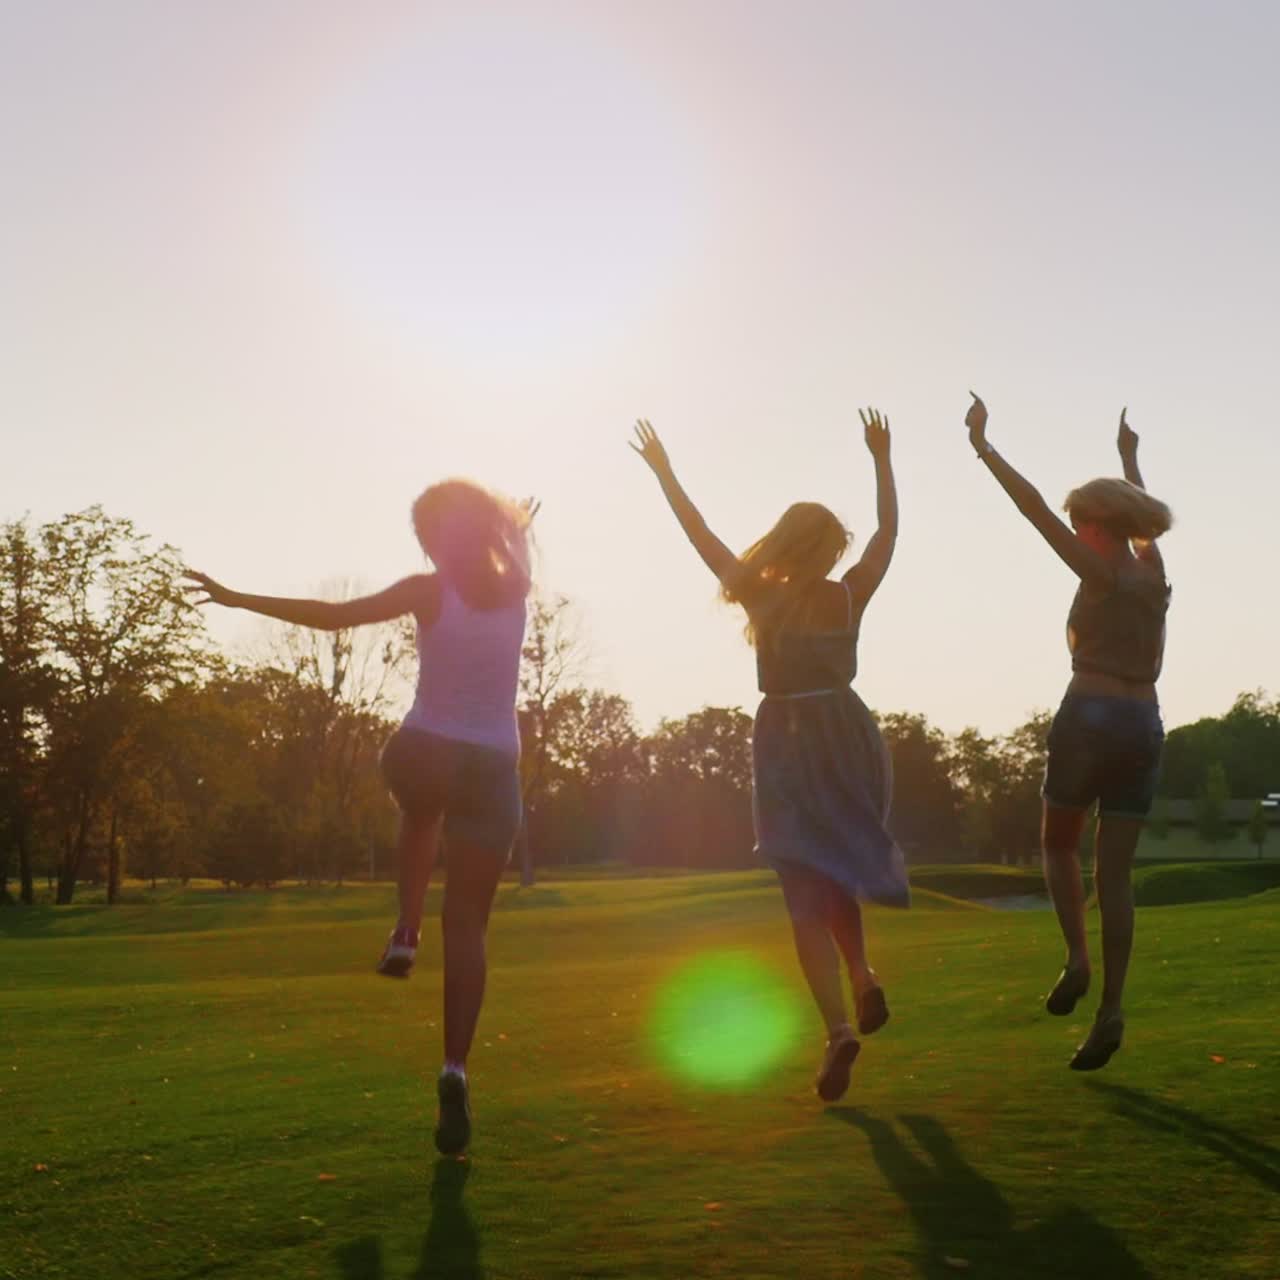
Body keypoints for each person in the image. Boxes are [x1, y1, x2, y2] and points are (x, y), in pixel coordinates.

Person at [186, 479, 534, 1153]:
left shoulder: (427, 590)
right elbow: (515, 536)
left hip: (426, 752)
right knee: (469, 929)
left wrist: (237, 598)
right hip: (494, 768)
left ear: (433, 540)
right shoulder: (518, 585)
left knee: (419, 803)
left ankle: (404, 929)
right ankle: (454, 1067)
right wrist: (511, 526)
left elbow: (333, 616)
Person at [630, 412, 907, 1103]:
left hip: (785, 735)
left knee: (801, 894)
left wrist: (664, 472)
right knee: (840, 862)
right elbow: (888, 534)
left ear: (786, 543)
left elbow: (701, 537)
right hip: (846, 728)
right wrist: (881, 458)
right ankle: (866, 974)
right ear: (829, 550)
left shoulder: (762, 595)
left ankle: (838, 1027)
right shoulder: (849, 593)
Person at [965, 395, 1172, 1070]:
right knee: (1115, 873)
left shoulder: (1100, 569)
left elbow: (1031, 511)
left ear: (1094, 526)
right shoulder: (1152, 571)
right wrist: (1128, 457)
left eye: (1080, 522)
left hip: (1090, 714)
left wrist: (984, 447)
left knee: (1058, 845)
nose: (1073, 529)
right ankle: (1112, 1009)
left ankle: (1077, 960)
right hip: (1144, 721)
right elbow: (1142, 519)